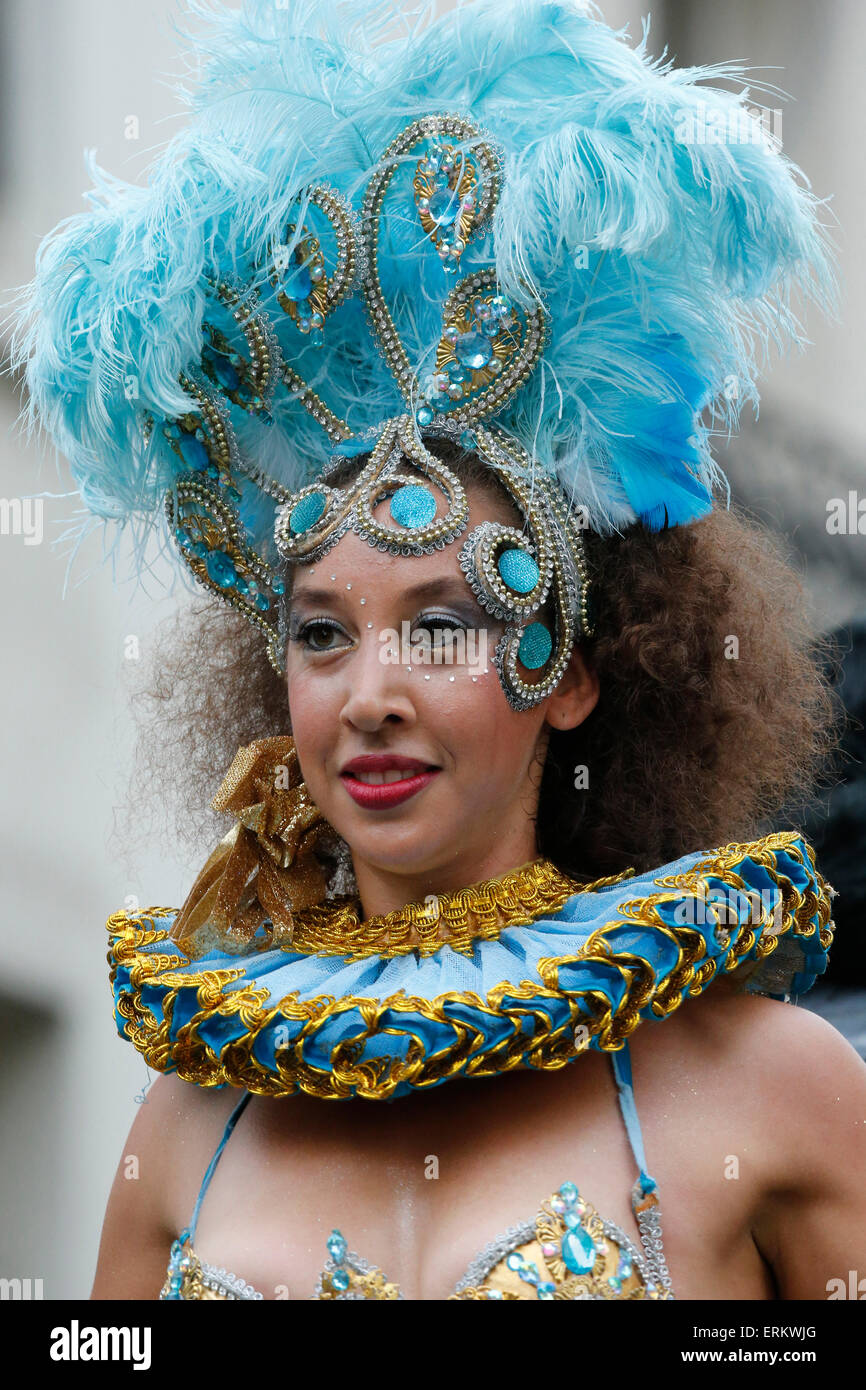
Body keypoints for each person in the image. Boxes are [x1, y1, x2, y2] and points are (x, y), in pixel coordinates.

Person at [14, 0, 866, 1301]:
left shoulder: (773, 1087)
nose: (369, 697)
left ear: (576, 673)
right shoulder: (188, 1131)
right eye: (319, 635)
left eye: (440, 623)